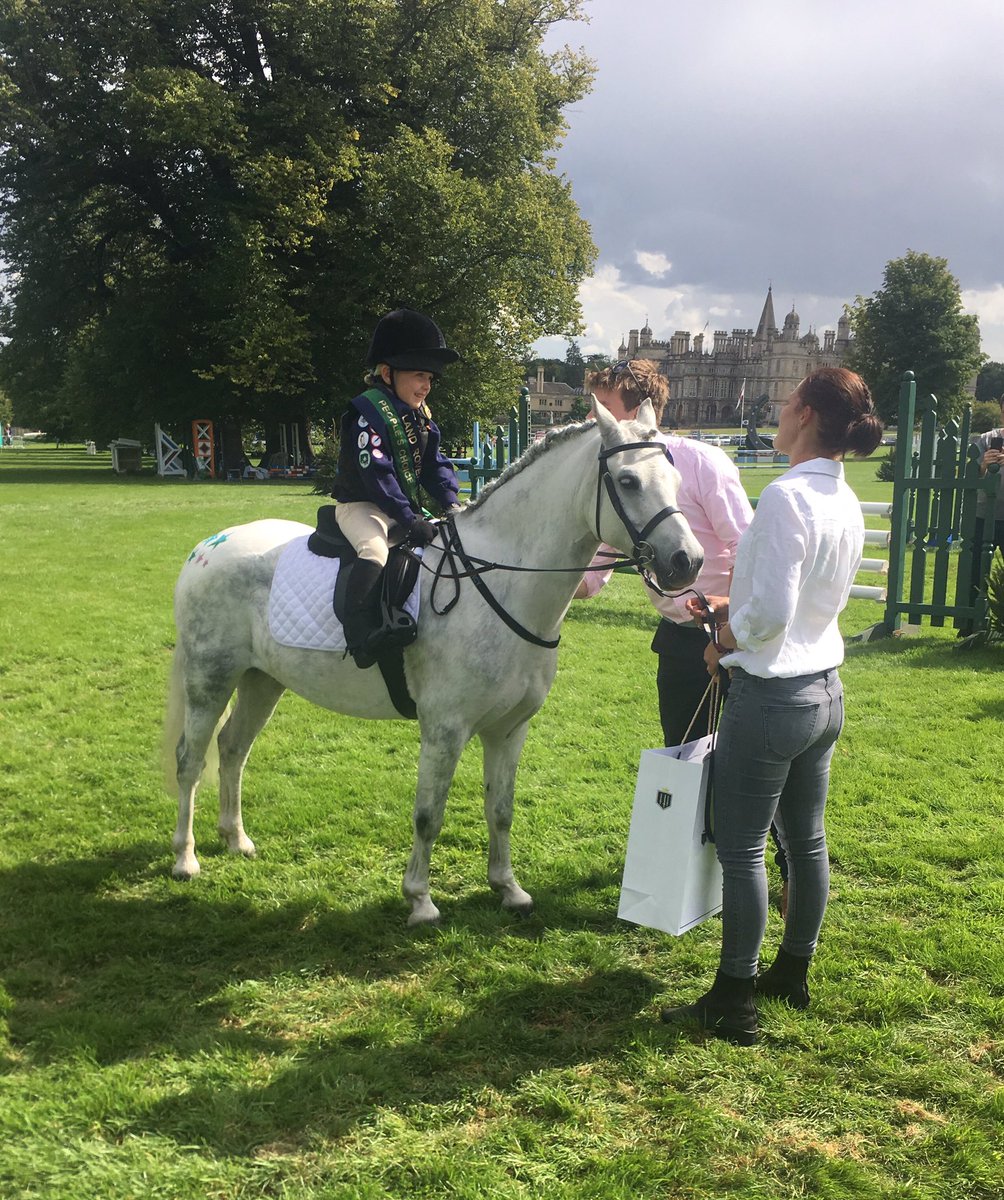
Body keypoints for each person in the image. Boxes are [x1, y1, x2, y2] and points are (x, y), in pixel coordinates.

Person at [660, 367, 883, 1046]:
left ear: (807, 414)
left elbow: (771, 616)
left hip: (772, 694)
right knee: (807, 841)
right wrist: (733, 607)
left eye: (787, 404)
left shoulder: (787, 496)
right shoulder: (840, 496)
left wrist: (723, 638)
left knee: (743, 848)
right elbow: (804, 595)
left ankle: (734, 999)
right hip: (824, 689)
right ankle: (792, 971)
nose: (779, 413)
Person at [575, 360, 754, 746]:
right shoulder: (621, 478)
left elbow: (748, 549)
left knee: (741, 763)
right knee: (682, 759)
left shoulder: (703, 463)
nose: (591, 417)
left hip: (738, 638)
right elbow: (589, 581)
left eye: (601, 406)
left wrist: (728, 634)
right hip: (677, 638)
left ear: (641, 411)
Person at [331, 307, 462, 668]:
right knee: (374, 551)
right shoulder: (366, 414)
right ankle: (360, 638)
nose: (426, 385)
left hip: (400, 507)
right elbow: (378, 475)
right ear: (387, 373)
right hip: (363, 506)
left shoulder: (419, 416)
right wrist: (408, 518)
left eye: (430, 378)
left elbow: (436, 466)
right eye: (419, 375)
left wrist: (452, 503)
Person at [960, 397, 1004, 636]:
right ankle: (969, 625)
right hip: (982, 515)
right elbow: (970, 478)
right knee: (975, 572)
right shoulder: (986, 439)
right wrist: (984, 466)